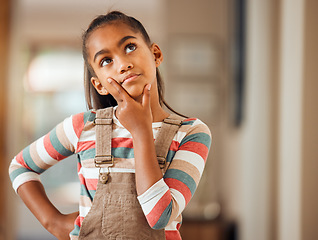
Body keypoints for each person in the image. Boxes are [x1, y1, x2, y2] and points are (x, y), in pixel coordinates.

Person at [9, 11, 212, 240]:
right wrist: (53, 222)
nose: (123, 64)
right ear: (99, 85)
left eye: (129, 47)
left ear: (155, 54)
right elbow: (20, 166)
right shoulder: (83, 127)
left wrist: (140, 131)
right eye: (106, 61)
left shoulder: (191, 133)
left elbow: (160, 216)